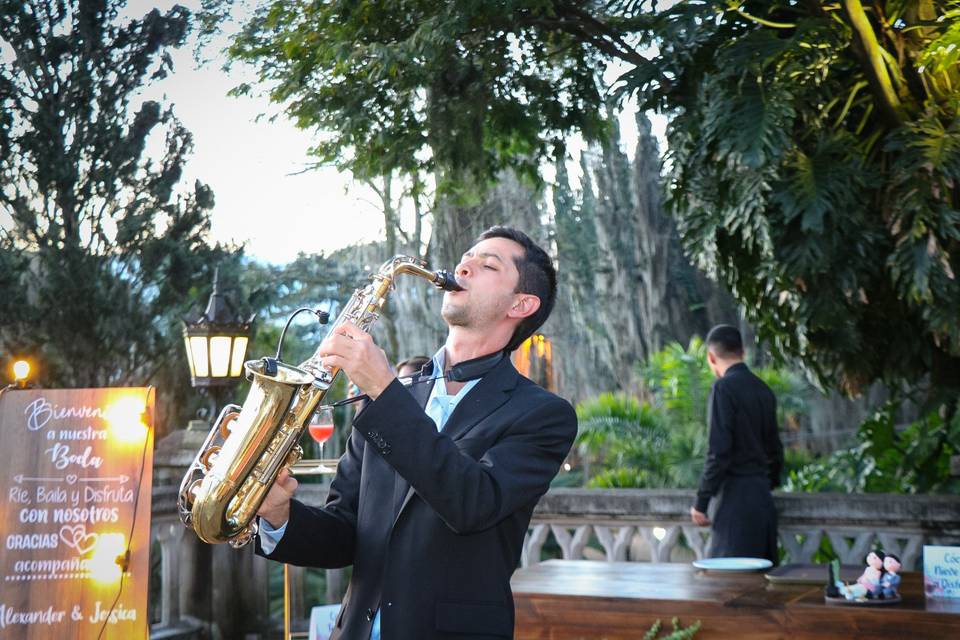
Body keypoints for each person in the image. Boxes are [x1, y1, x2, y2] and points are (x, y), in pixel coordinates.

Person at [255, 226, 578, 640]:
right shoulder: (390, 398)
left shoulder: (542, 415)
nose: (464, 265)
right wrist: (279, 515)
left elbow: (471, 502)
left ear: (521, 304)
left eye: (487, 264)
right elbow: (344, 533)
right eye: (467, 256)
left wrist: (384, 389)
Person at [689, 325, 784, 563]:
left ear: (711, 358)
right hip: (762, 500)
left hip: (734, 503)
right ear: (743, 352)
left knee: (728, 586)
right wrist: (765, 484)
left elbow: (719, 452)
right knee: (762, 586)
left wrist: (701, 502)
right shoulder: (764, 391)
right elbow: (776, 451)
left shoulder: (723, 389)